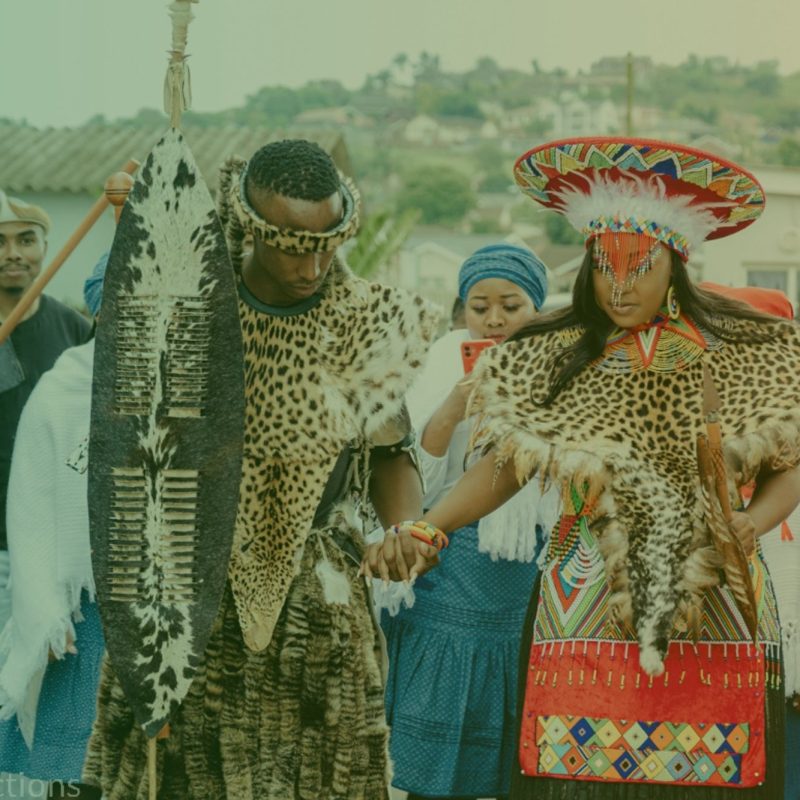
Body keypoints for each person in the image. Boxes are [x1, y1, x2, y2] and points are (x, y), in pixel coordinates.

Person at [364, 137, 800, 798]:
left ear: (674, 264)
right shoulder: (560, 355)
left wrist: (750, 523)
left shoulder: (741, 353)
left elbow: (789, 467)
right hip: (582, 602)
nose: (618, 286)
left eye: (639, 267)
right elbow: (504, 467)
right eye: (604, 267)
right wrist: (431, 527)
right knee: (581, 776)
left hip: (717, 600)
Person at [81, 139, 439, 800]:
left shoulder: (362, 325)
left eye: (327, 243)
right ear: (249, 227)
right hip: (187, 595)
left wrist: (410, 528)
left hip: (316, 608)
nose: (314, 266)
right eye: (293, 247)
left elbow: (392, 453)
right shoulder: (189, 306)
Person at [381, 244, 560, 800]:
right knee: (437, 708)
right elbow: (415, 474)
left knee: (511, 723)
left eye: (511, 305)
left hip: (524, 571)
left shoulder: (562, 362)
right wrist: (456, 406)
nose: (495, 319)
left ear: (537, 306)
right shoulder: (441, 359)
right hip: (448, 560)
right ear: (462, 310)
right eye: (479, 306)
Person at [0, 256, 109, 800]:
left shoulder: (196, 387)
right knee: (84, 772)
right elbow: (33, 507)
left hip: (170, 611)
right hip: (84, 615)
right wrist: (44, 610)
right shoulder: (63, 388)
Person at [0, 191, 91, 635]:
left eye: (26, 240)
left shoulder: (74, 330)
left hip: (50, 541)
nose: (13, 254)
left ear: (44, 249)